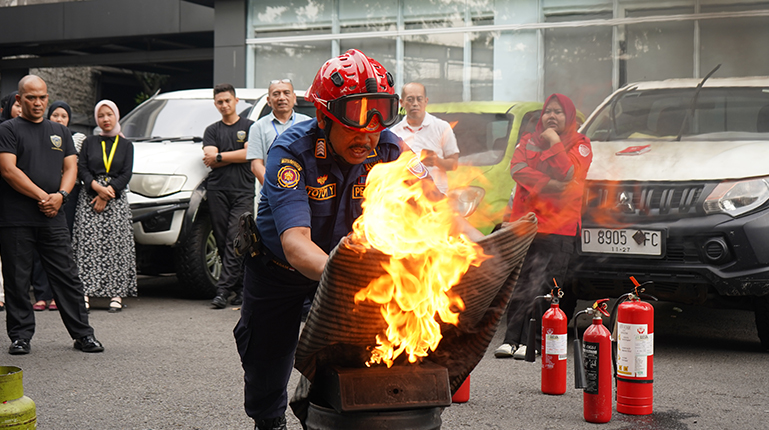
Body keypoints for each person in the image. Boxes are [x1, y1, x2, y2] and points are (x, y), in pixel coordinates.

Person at [233, 49, 404, 430]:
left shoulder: (390, 148)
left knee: (349, 356)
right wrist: (356, 277)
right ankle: (270, 421)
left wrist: (484, 250)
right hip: (279, 272)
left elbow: (435, 210)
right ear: (325, 116)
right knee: (267, 360)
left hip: (344, 270)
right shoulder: (291, 151)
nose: (368, 134)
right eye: (355, 120)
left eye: (378, 120)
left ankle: (328, 419)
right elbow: (296, 245)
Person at [0, 75, 104, 354]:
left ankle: (83, 334)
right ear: (20, 100)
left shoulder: (59, 131)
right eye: (31, 97)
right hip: (16, 218)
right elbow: (8, 170)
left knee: (67, 276)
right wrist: (43, 196)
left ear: (47, 97)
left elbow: (70, 168)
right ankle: (20, 337)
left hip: (53, 214)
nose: (37, 102)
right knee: (17, 279)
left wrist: (62, 196)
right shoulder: (8, 130)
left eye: (42, 97)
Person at [494, 93, 592, 359]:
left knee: (548, 286)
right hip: (526, 226)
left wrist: (554, 143)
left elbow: (568, 174)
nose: (551, 116)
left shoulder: (581, 144)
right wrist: (554, 186)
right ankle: (511, 339)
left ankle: (534, 341)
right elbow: (517, 169)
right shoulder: (527, 141)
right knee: (522, 283)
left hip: (559, 228)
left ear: (569, 116)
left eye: (558, 112)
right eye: (548, 111)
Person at [72, 100, 137, 313]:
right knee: (87, 247)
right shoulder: (89, 142)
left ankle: (115, 295)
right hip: (90, 198)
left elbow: (126, 173)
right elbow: (82, 168)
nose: (106, 119)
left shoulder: (126, 145)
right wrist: (96, 188)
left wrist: (107, 194)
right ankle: (85, 294)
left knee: (116, 247)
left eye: (109, 114)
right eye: (101, 116)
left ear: (117, 116)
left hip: (115, 200)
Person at [31, 101, 88, 313]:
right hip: (41, 194)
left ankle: (57, 295)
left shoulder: (77, 138)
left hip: (68, 197)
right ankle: (41, 294)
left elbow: (77, 168)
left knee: (62, 247)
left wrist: (62, 194)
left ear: (69, 119)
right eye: (55, 115)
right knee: (39, 245)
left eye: (64, 116)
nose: (59, 119)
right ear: (49, 116)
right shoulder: (41, 135)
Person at [203, 84, 255, 309]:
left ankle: (223, 290)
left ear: (236, 101)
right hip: (217, 190)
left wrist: (221, 156)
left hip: (243, 191)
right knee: (224, 239)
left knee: (237, 238)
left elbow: (248, 154)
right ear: (215, 104)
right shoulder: (212, 130)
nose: (224, 105)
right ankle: (241, 288)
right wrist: (234, 154)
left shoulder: (250, 126)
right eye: (219, 102)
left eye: (227, 100)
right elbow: (208, 155)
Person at [390, 82, 459, 194]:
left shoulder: (442, 127)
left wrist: (436, 161)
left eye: (419, 99)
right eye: (410, 99)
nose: (415, 104)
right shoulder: (394, 133)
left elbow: (454, 164)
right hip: (405, 198)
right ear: (401, 103)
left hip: (437, 197)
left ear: (426, 101)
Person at [247, 79, 311, 186]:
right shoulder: (258, 127)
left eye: (286, 93)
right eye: (276, 94)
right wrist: (273, 188)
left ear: (294, 98)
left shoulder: (308, 124)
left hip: (303, 192)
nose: (281, 98)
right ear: (268, 100)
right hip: (272, 195)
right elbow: (256, 165)